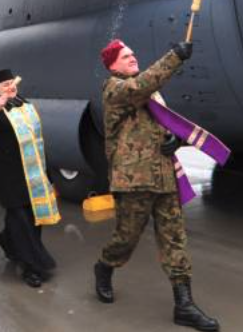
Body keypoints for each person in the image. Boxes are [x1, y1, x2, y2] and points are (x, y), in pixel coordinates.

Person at [93, 39, 219, 331]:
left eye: (134, 53)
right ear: (112, 65)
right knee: (126, 239)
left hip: (163, 177)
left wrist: (173, 138)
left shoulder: (151, 93)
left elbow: (159, 123)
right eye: (126, 56)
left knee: (175, 239)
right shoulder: (115, 89)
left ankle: (184, 306)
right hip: (133, 181)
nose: (132, 57)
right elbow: (141, 86)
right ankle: (104, 266)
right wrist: (175, 56)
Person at [0, 69, 59, 288]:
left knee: (32, 219)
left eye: (12, 83)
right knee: (20, 218)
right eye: (5, 85)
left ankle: (8, 241)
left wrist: (47, 173)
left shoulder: (25, 105)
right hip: (9, 176)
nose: (10, 87)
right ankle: (32, 267)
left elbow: (37, 140)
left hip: (34, 174)